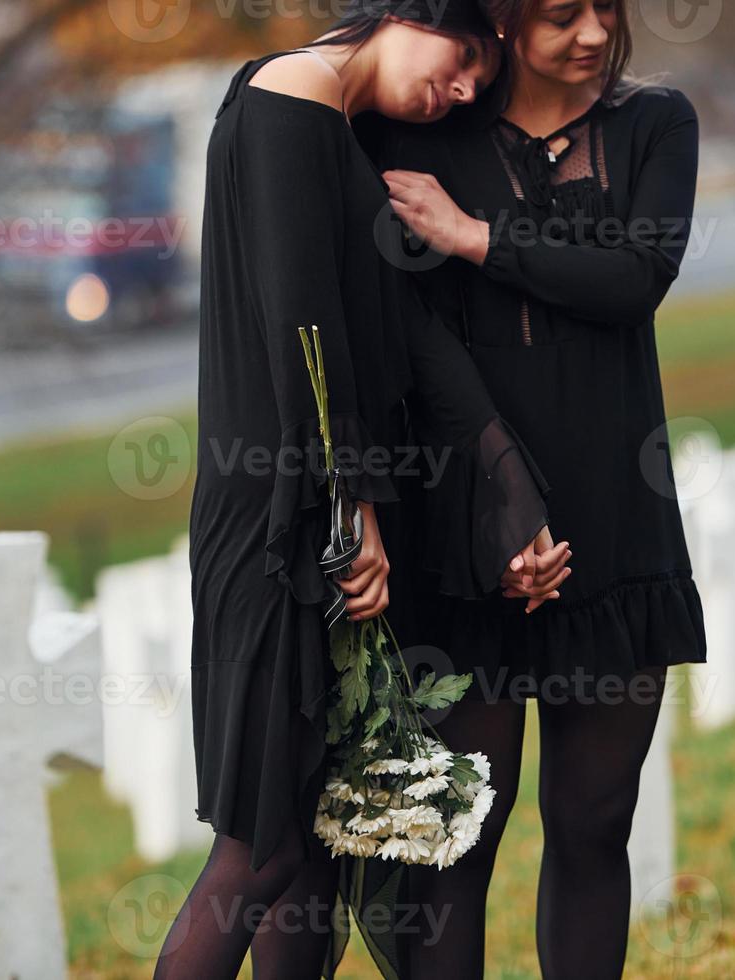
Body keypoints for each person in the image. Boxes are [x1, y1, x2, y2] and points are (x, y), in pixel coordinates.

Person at [154, 3, 572, 976]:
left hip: (297, 512)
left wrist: (502, 479)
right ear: (408, 11)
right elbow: (305, 335)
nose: (464, 88)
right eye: (463, 57)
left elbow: (393, 331)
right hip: (280, 528)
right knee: (258, 854)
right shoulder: (288, 103)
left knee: (301, 851)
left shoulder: (321, 123)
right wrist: (356, 511)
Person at [372, 0, 707, 974]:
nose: (595, 32)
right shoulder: (422, 132)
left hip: (613, 527)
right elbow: (411, 329)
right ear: (508, 18)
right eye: (564, 13)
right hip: (463, 528)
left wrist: (476, 236)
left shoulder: (656, 124)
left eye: (608, 7)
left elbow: (635, 277)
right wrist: (495, 516)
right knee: (455, 843)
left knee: (595, 822)